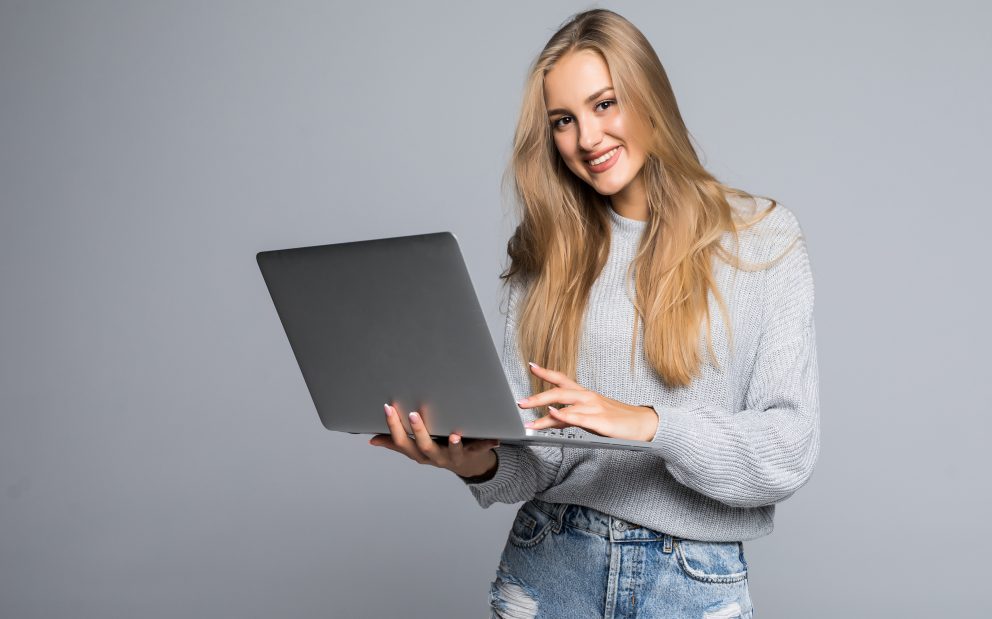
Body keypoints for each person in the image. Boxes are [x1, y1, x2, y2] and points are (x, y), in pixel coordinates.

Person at [369, 8, 818, 618]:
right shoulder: (544, 252)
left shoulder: (761, 240)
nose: (586, 139)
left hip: (690, 585)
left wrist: (649, 424)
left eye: (604, 104)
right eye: (564, 120)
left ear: (648, 94)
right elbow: (534, 455)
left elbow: (787, 450)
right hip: (548, 567)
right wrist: (476, 462)